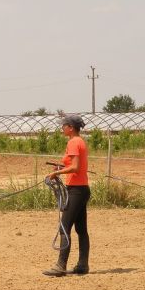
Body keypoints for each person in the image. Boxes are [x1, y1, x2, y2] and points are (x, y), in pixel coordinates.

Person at [43, 114, 90, 277]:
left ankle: (60, 265)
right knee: (81, 230)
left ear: (70, 127)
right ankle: (83, 265)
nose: (62, 128)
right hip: (82, 189)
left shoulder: (73, 142)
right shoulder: (80, 141)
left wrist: (56, 173)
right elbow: (74, 165)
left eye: (64, 126)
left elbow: (75, 167)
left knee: (64, 227)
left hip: (76, 190)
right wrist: (61, 167)